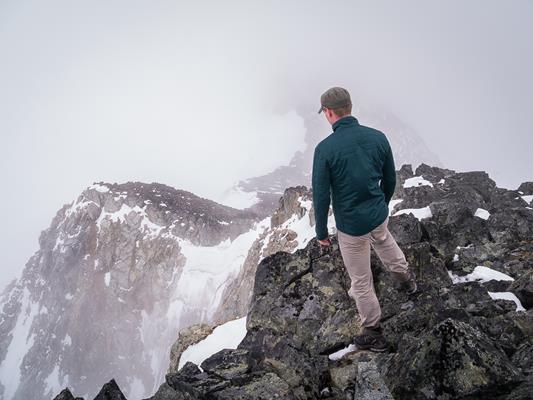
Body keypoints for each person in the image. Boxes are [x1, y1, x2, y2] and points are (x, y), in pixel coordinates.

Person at [312, 86, 417, 353]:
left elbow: (322, 197)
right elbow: (390, 179)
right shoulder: (378, 137)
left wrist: (322, 234)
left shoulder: (325, 149)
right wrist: (380, 204)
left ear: (329, 112)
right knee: (385, 242)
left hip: (351, 227)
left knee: (361, 280)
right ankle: (406, 280)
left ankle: (373, 332)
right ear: (350, 106)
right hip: (377, 214)